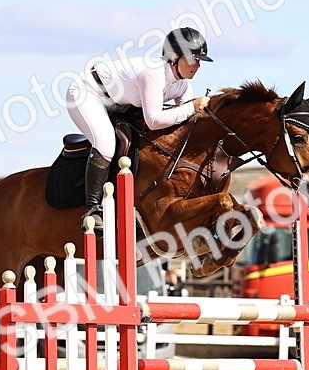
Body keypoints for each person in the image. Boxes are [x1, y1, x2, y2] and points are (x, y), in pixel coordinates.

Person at [66, 27, 214, 230]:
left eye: (199, 61)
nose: (197, 66)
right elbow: (154, 120)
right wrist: (191, 106)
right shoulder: (153, 73)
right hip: (86, 93)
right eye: (193, 59)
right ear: (174, 57)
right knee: (106, 143)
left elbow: (187, 121)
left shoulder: (183, 84)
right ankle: (92, 210)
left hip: (119, 102)